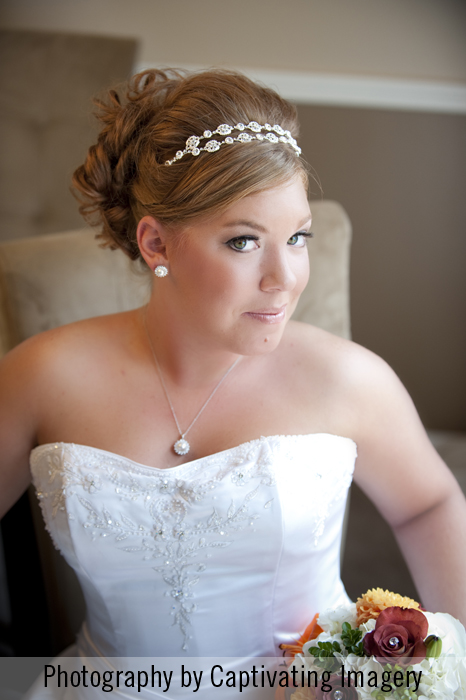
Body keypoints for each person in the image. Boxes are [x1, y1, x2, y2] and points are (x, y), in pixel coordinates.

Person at [0, 68, 465, 698]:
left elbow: (428, 503)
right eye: (244, 241)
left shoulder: (350, 379)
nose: (285, 278)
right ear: (156, 241)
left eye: (297, 237)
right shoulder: (42, 375)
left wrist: (449, 658)